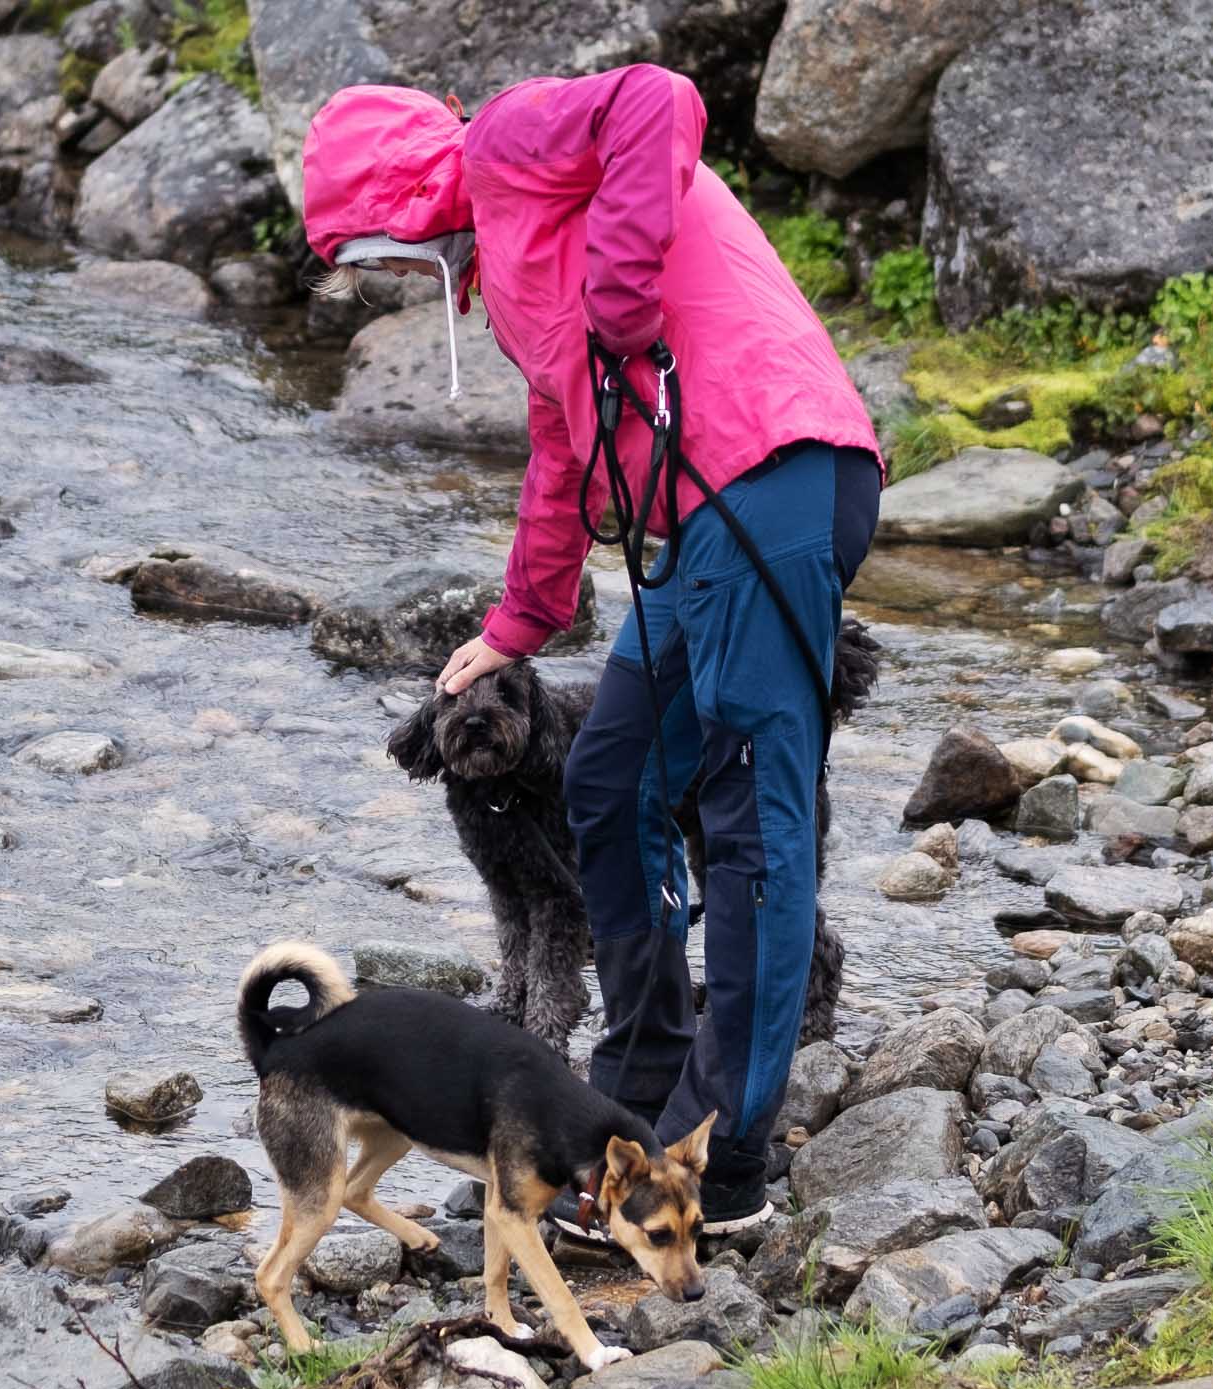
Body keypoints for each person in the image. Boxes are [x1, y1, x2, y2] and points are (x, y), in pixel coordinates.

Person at [300, 65, 883, 1233]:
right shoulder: (512, 276)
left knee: (750, 831)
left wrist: (620, 296)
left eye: (366, 255)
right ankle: (634, 1084)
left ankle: (719, 1166)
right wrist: (511, 626)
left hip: (775, 478)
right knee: (607, 781)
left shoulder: (508, 141)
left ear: (393, 200)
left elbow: (656, 100)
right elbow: (563, 454)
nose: (375, 281)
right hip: (696, 527)